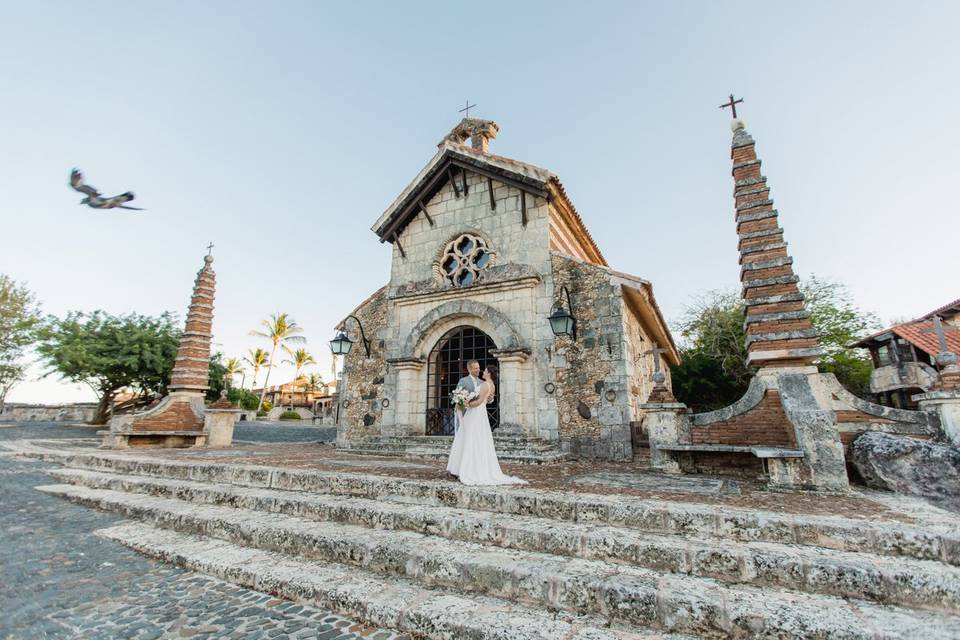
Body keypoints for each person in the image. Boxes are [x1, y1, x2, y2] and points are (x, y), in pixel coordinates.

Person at [446, 365, 527, 486]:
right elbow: (487, 399)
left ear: (488, 373)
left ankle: (468, 469)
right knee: (473, 438)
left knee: (470, 438)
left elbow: (479, 402)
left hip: (475, 413)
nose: (482, 371)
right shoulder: (492, 385)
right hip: (480, 413)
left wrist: (466, 403)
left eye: (484, 370)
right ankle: (461, 468)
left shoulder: (484, 384)